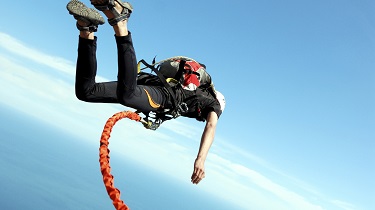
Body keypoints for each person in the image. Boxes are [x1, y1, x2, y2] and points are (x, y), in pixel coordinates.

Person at [67, 0, 225, 185]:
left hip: (151, 85)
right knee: (128, 96)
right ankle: (121, 22)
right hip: (162, 97)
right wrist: (201, 159)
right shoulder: (211, 104)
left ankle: (87, 29)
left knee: (87, 92)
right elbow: (211, 127)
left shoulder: (193, 92)